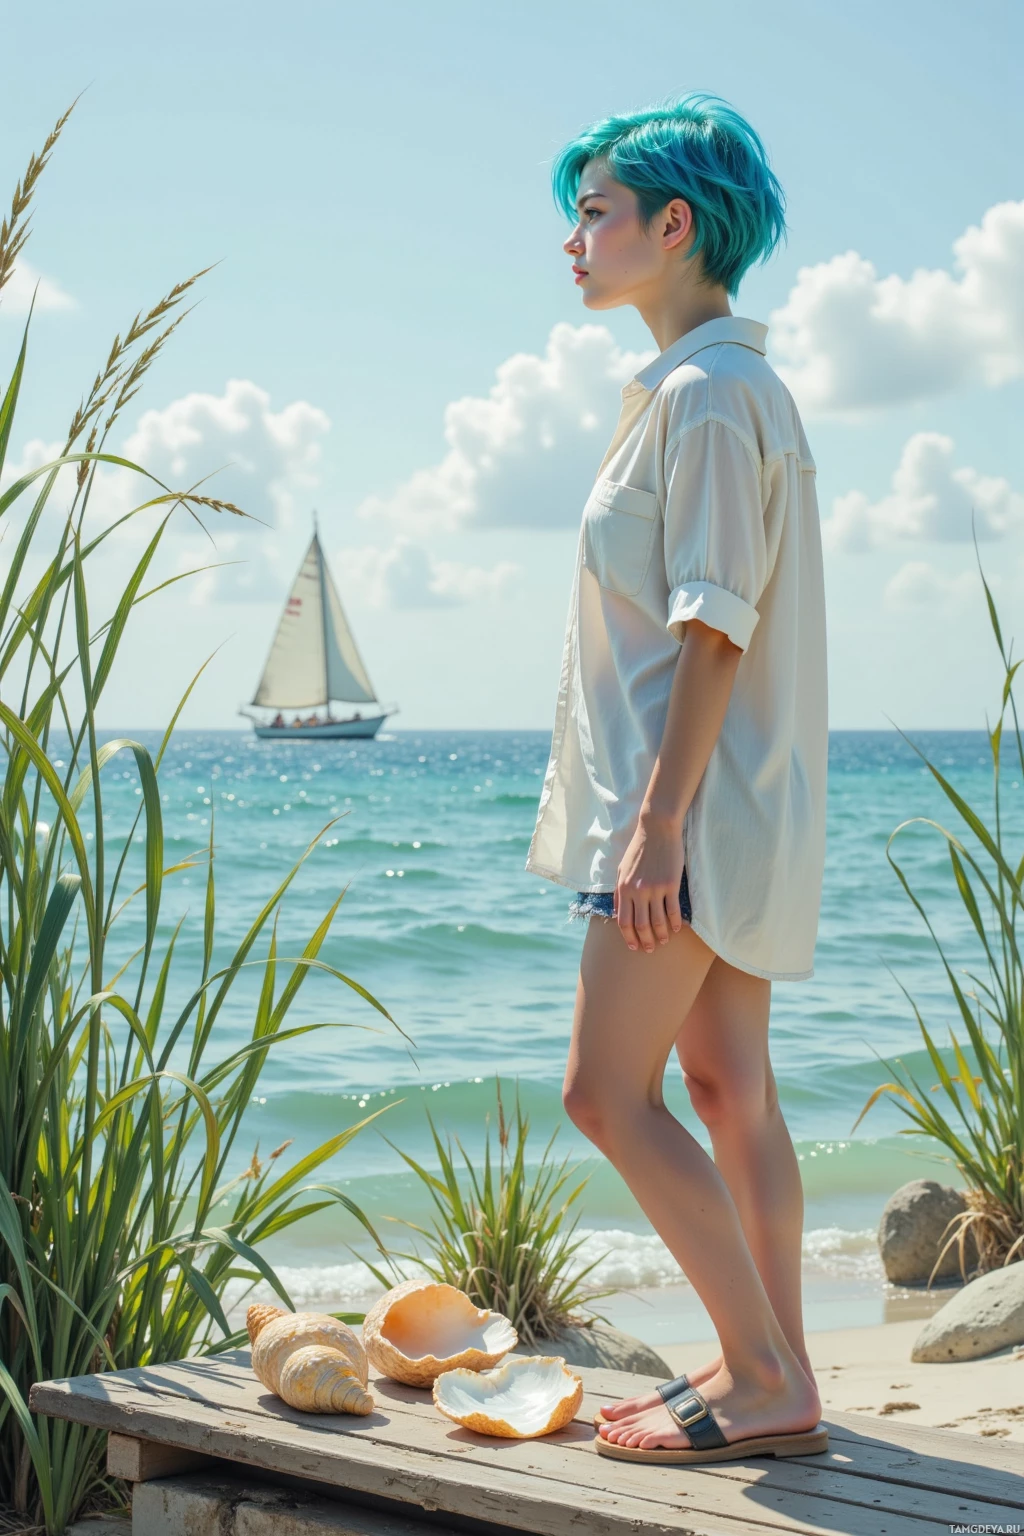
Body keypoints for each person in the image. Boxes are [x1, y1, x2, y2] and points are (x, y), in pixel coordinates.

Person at [527, 94, 828, 1466]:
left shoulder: (706, 397)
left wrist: (653, 826)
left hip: (683, 811)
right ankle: (776, 1370)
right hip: (720, 804)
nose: (573, 241)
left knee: (606, 1091)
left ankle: (761, 1370)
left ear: (674, 224)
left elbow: (716, 621)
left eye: (593, 212)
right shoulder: (707, 388)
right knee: (727, 1087)